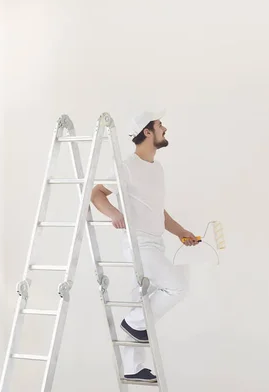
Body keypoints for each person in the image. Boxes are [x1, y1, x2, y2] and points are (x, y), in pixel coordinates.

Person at [91, 109, 199, 383]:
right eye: (160, 125)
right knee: (177, 285)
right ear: (147, 132)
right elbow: (96, 194)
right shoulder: (127, 166)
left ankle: (133, 367)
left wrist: (181, 232)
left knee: (138, 300)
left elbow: (158, 212)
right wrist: (115, 214)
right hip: (138, 244)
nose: (165, 129)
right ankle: (136, 323)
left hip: (156, 242)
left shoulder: (157, 169)